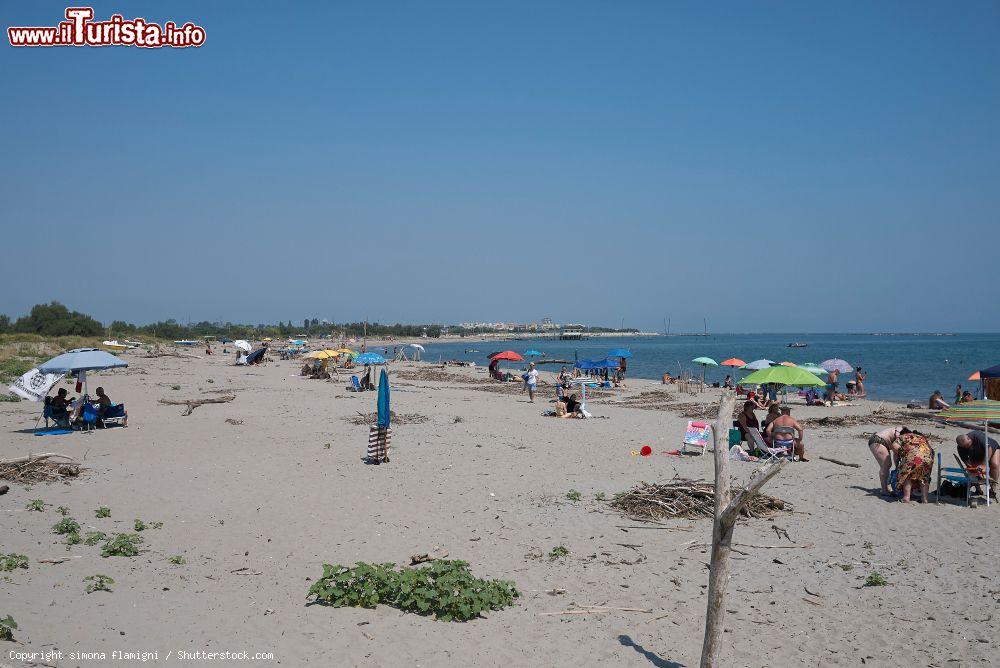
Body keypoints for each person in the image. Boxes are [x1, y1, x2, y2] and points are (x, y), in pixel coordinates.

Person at [868, 426, 906, 495]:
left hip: (881, 442)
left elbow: (896, 453)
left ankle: (885, 488)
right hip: (878, 441)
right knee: (886, 465)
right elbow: (896, 451)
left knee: (886, 466)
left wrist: (897, 467)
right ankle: (884, 490)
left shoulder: (903, 433)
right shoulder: (901, 432)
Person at [897, 431, 933, 503]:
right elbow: (931, 452)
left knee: (907, 475)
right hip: (928, 458)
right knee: (924, 477)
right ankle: (924, 499)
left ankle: (906, 498)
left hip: (914, 457)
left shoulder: (904, 436)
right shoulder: (923, 439)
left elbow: (895, 447)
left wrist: (901, 456)